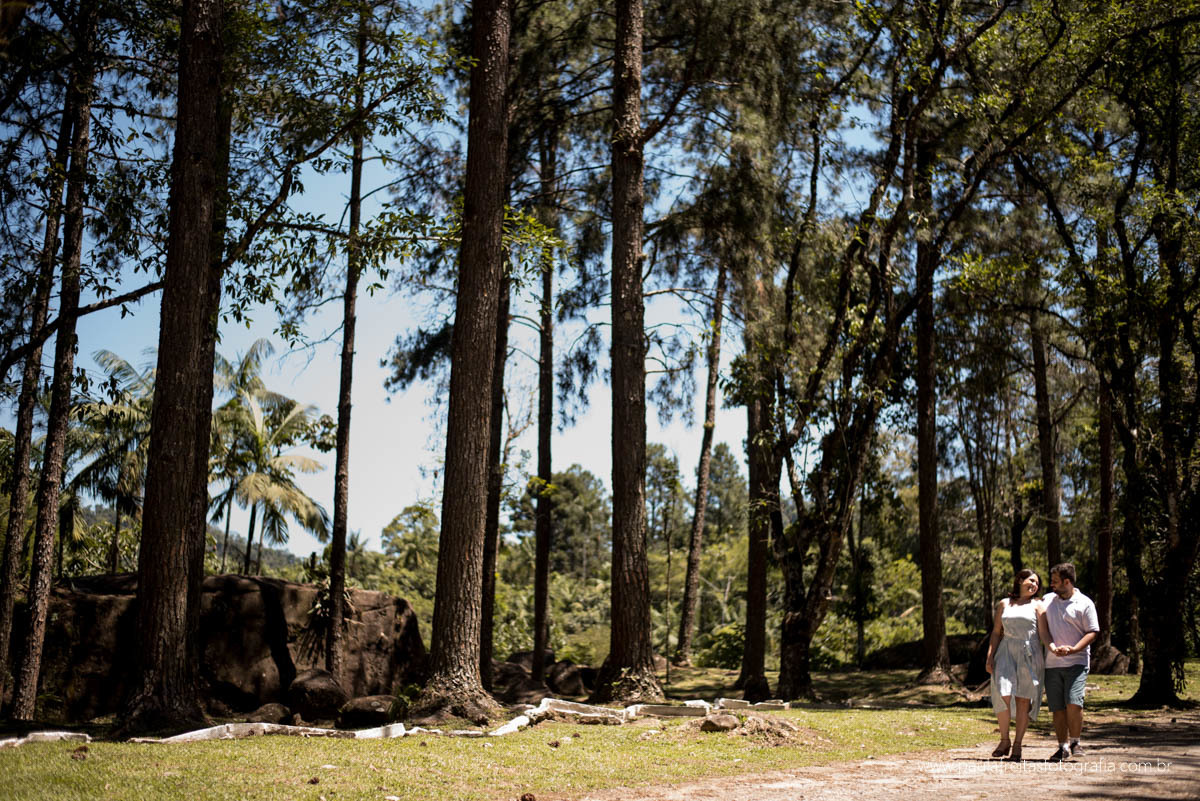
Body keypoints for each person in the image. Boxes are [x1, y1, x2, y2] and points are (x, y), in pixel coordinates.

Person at [985, 568, 1049, 761]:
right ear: (1020, 581)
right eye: (1031, 580)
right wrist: (990, 655)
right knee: (1002, 692)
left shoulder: (1038, 605)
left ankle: (1017, 745)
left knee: (1023, 700)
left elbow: (1044, 633)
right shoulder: (1005, 604)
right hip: (1005, 651)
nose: (1034, 585)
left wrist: (1053, 647)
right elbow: (996, 632)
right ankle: (1004, 740)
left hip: (1029, 653)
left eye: (1036, 583)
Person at [1043, 562, 1100, 761]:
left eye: (1055, 582)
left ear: (1067, 582)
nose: (1052, 585)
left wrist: (1074, 649)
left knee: (1073, 703)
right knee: (1057, 707)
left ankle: (1075, 742)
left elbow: (1092, 632)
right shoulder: (1048, 600)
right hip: (1052, 663)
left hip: (1077, 661)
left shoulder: (1085, 603)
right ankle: (1062, 746)